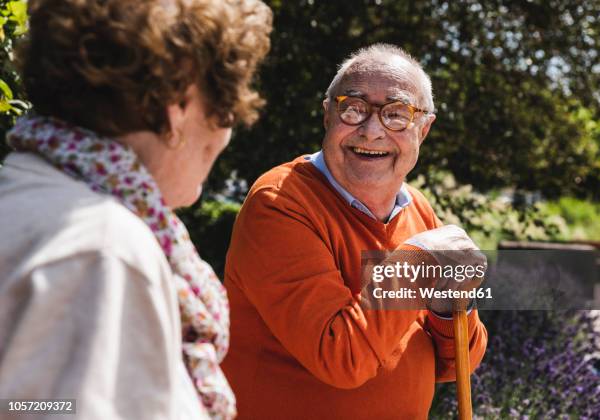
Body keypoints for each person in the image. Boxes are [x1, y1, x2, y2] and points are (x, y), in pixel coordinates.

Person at [0, 0, 271, 419]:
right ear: (181, 103)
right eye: (228, 104)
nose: (227, 132)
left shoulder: (29, 190)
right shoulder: (102, 251)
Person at [222, 44, 488, 419]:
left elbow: (455, 364)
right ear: (328, 115)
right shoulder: (280, 202)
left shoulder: (418, 210)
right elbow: (340, 358)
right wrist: (417, 264)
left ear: (423, 130)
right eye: (354, 108)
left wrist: (449, 308)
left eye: (397, 114)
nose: (372, 130)